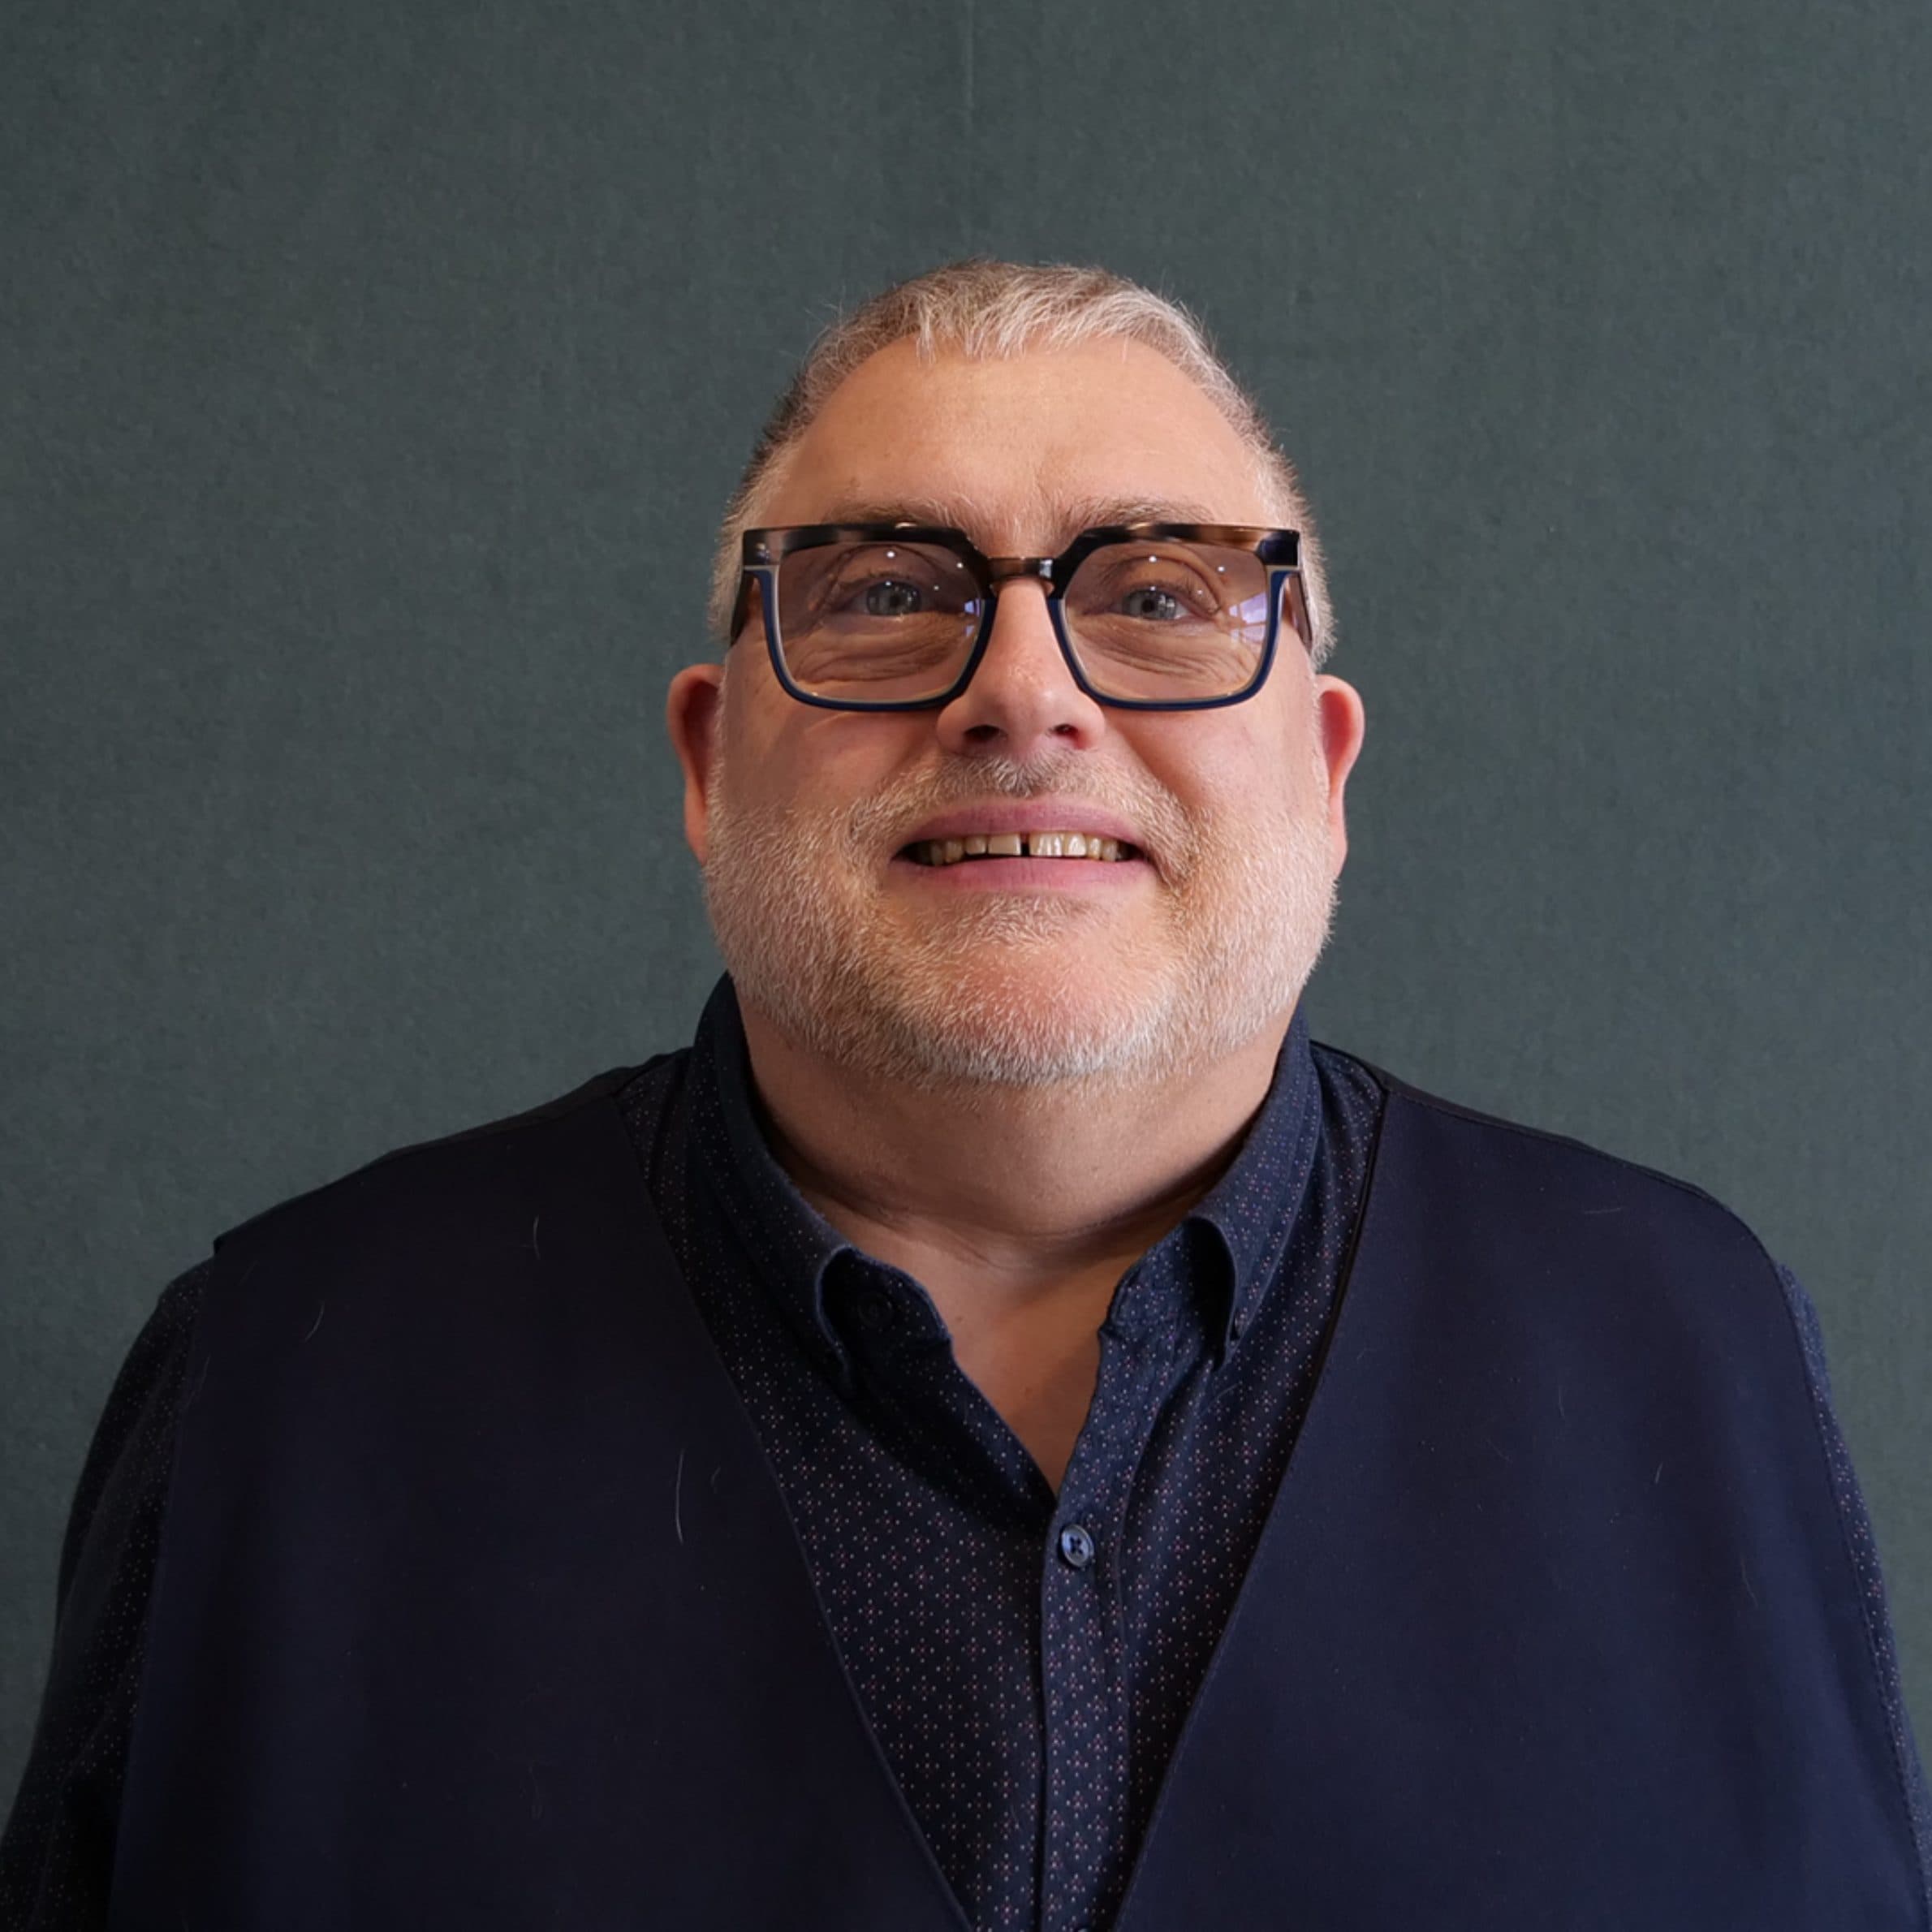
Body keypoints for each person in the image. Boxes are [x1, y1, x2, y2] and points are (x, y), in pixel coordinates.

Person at [2, 259, 1926, 1932]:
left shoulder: (1694, 1344)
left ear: (1324, 771)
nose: (1022, 690)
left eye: (1157, 591)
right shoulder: (279, 1376)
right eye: (880, 592)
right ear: (707, 760)